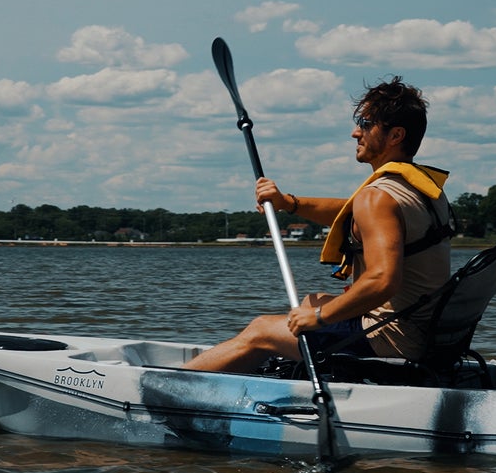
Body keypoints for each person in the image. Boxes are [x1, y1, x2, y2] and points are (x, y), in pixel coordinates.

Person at [185, 76, 454, 373]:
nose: (355, 133)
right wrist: (288, 202)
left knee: (261, 330)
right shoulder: (421, 190)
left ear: (395, 136)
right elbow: (351, 214)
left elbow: (382, 281)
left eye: (365, 123)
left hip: (391, 339)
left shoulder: (378, 197)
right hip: (427, 334)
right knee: (311, 300)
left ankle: (170, 387)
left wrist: (321, 318)